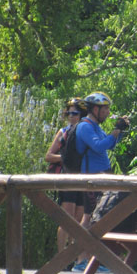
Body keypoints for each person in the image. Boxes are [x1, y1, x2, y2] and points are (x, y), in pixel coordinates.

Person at [76, 91, 130, 228]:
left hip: (103, 174)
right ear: (96, 109)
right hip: (92, 177)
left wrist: (119, 130)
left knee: (102, 212)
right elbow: (98, 147)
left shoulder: (96, 127)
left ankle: (90, 242)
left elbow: (109, 145)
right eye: (105, 108)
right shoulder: (85, 126)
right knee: (89, 216)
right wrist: (115, 132)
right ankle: (81, 242)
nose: (108, 112)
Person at [44, 97, 88, 257]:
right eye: (68, 113)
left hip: (83, 179)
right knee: (67, 219)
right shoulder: (63, 132)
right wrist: (65, 158)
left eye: (74, 113)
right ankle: (61, 257)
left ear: (82, 114)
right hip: (67, 178)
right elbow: (48, 156)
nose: (71, 116)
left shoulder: (86, 132)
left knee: (79, 219)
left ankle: (75, 257)